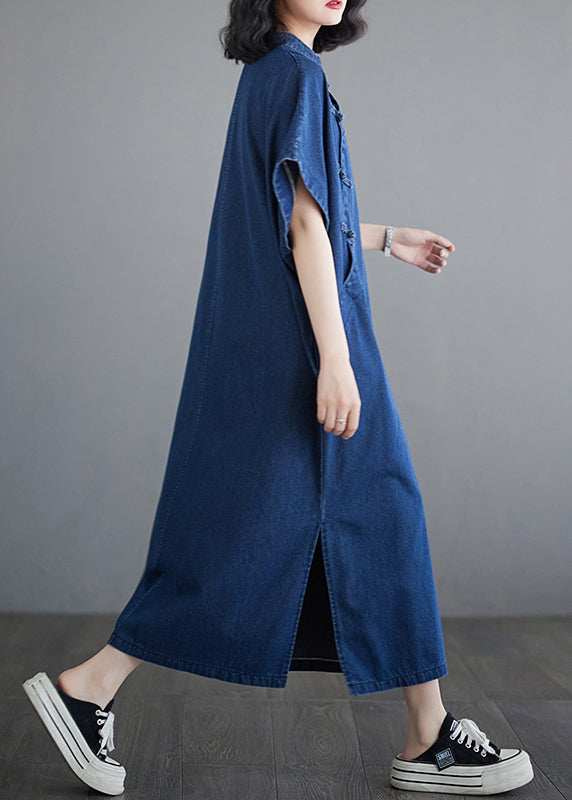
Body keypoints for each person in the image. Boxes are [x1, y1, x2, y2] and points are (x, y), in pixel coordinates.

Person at [22, 0, 534, 795]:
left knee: (254, 527)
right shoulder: (296, 76)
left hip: (270, 348)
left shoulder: (269, 75)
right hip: (308, 347)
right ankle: (427, 736)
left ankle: (92, 686)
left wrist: (384, 237)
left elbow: (298, 211)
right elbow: (300, 224)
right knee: (371, 514)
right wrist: (336, 357)